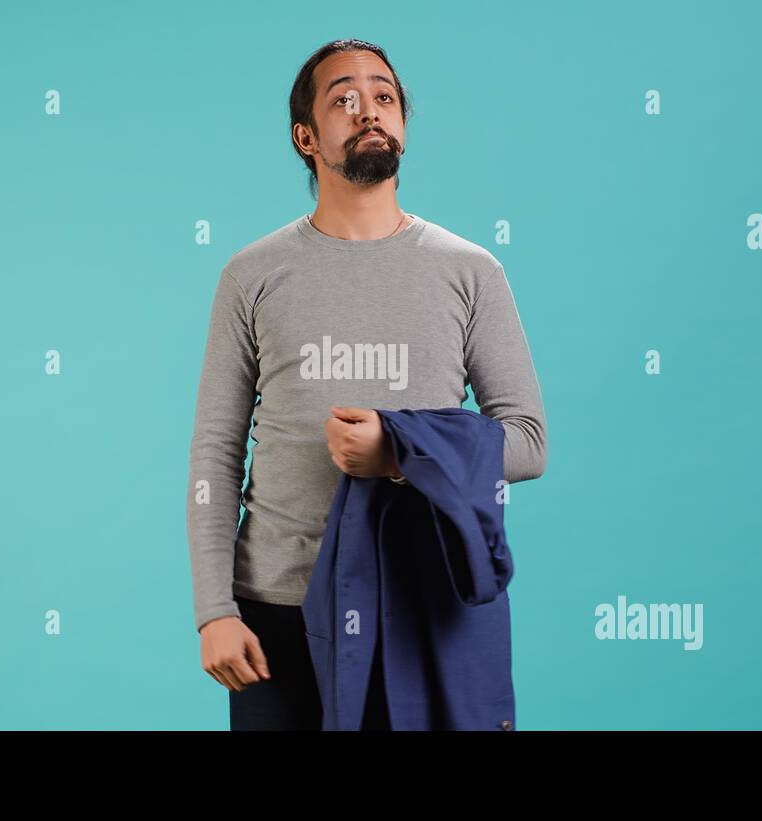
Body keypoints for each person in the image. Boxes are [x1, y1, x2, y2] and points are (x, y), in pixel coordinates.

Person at [186, 38, 548, 730]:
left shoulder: (470, 272)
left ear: (404, 124)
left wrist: (400, 452)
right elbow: (215, 449)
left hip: (419, 604)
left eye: (383, 97)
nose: (369, 110)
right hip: (275, 615)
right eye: (344, 99)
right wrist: (214, 609)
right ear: (305, 136)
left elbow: (529, 441)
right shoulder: (251, 275)